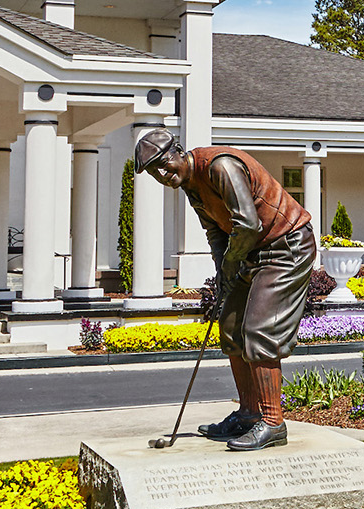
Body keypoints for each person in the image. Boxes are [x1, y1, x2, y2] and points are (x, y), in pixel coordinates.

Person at [133, 128, 314, 451]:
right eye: (153, 172)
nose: (162, 174)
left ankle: (273, 422)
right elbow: (216, 232)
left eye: (163, 163)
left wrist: (231, 263)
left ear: (178, 151)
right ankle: (248, 414)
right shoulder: (190, 185)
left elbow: (247, 223)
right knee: (230, 326)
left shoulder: (220, 166)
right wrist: (222, 271)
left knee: (260, 330)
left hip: (285, 247)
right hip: (250, 251)